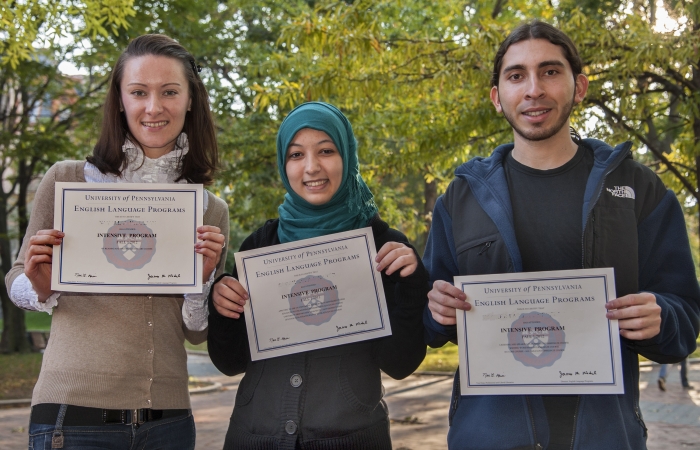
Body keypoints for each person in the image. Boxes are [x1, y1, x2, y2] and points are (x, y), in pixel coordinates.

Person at [423, 20, 700, 450]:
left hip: (606, 438)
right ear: (498, 98)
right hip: (488, 438)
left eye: (550, 71)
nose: (533, 89)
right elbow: (428, 319)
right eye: (517, 76)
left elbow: (684, 321)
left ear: (580, 86)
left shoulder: (638, 189)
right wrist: (435, 309)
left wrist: (660, 315)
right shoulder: (460, 199)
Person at [6, 34, 229, 449]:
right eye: (139, 92)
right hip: (72, 418)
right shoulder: (66, 182)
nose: (153, 107)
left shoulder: (210, 210)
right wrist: (41, 285)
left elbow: (195, 332)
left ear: (191, 99)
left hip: (168, 422)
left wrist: (200, 281)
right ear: (120, 100)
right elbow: (17, 278)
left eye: (169, 92)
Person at [207, 101, 429, 449]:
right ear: (283, 163)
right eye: (296, 155)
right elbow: (230, 362)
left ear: (347, 154)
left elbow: (400, 364)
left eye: (326, 150)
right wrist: (222, 306)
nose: (311, 167)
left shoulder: (384, 248)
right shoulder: (259, 246)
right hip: (255, 437)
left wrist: (412, 284)